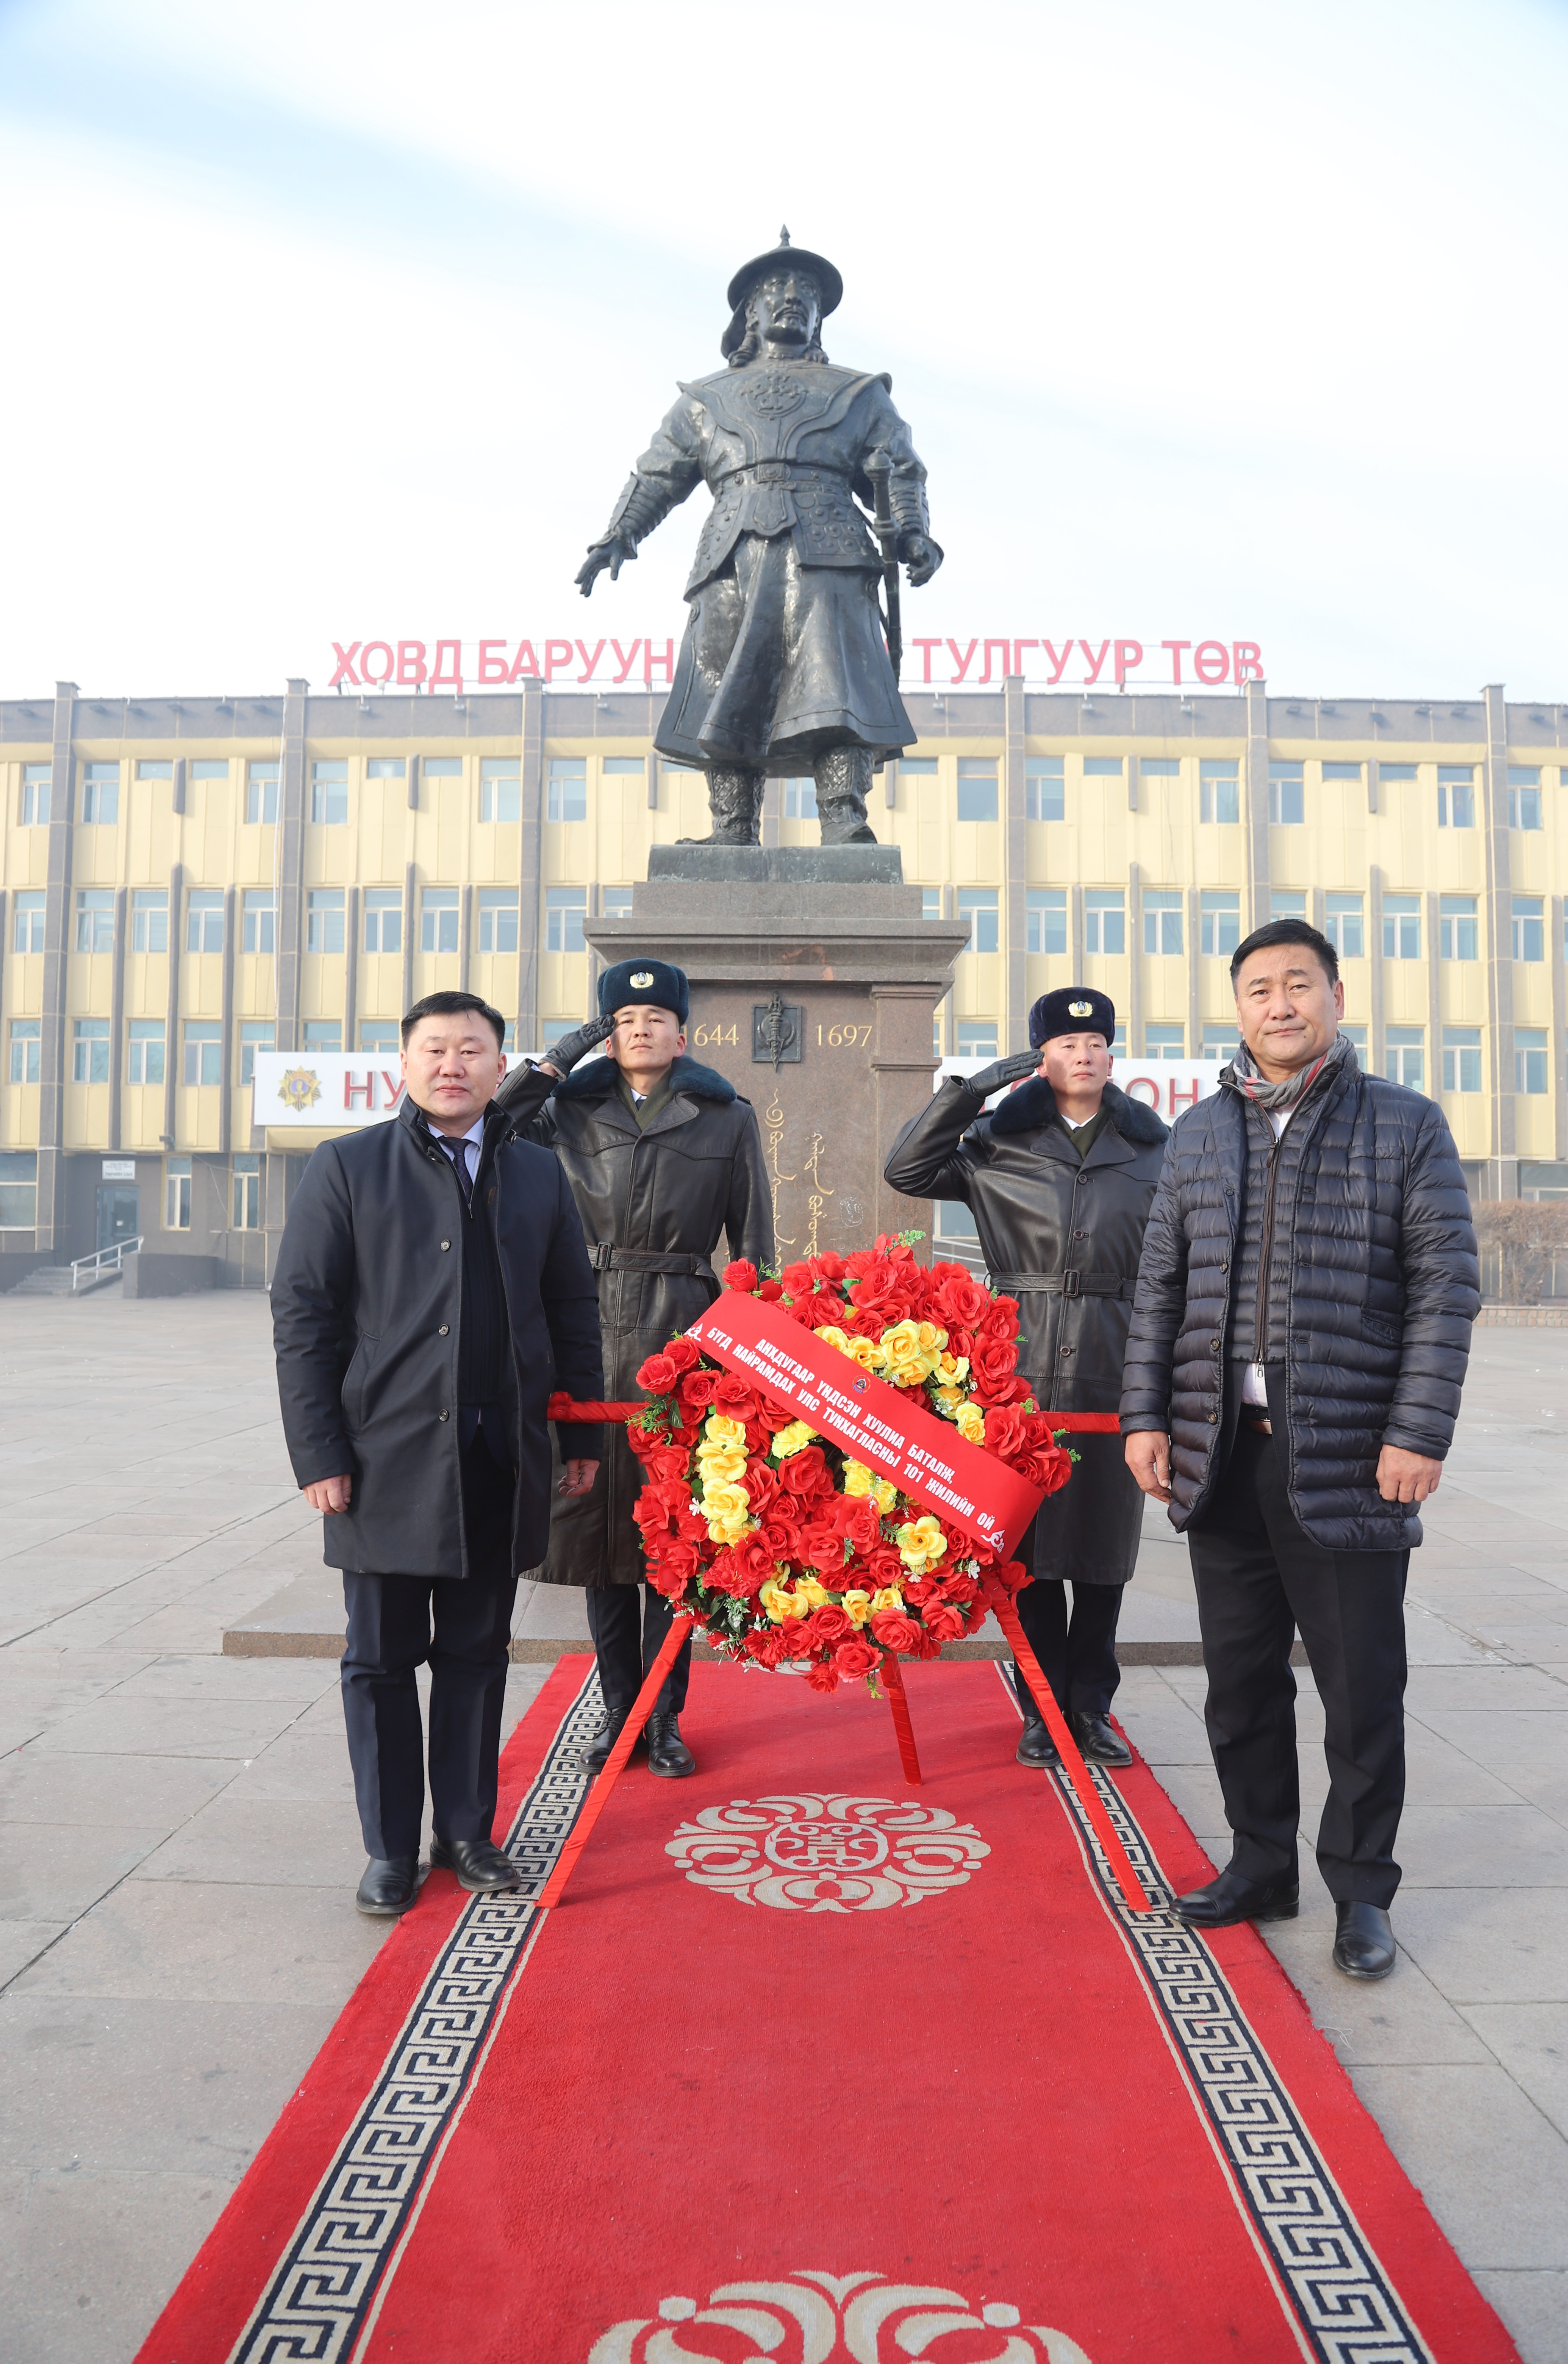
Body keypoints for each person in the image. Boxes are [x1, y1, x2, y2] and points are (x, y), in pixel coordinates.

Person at [1120, 919, 1479, 1981]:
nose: (1278, 1005)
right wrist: (1147, 1416)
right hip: (1222, 1455)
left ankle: (1362, 1893)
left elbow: (1445, 1288)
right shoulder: (1199, 1134)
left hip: (1349, 1455)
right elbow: (1160, 1287)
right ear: (1237, 1008)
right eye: (1258, 989)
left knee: (1359, 1692)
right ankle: (1260, 1864)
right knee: (1239, 1684)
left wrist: (1416, 1432)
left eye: (1297, 984)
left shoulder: (1403, 1124)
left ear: (1334, 996)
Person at [271, 990, 604, 1918]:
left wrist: (580, 1432)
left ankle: (466, 1832)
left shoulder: (537, 1172)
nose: (452, 1065)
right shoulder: (348, 1166)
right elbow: (303, 1317)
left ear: (500, 1066)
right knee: (379, 1660)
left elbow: (572, 1310)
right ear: (405, 1065)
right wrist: (319, 1453)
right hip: (384, 1459)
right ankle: (389, 1849)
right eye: (434, 1050)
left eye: (471, 1050)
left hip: (499, 1454)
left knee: (476, 1655)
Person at [575, 229, 942, 847]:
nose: (793, 296)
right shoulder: (705, 400)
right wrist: (619, 534)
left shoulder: (858, 393)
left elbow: (900, 470)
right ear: (751, 312)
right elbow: (658, 473)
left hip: (828, 549)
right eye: (777, 286)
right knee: (726, 686)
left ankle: (844, 817)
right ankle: (732, 827)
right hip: (732, 553)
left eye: (807, 290)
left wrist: (912, 533)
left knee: (837, 685)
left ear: (821, 314)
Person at [497, 959, 772, 1775]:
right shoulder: (565, 1111)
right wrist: (560, 1059)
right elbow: (494, 1128)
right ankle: (620, 1713)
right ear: (605, 1035)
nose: (641, 1030)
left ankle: (664, 1718)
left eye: (656, 1019)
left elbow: (754, 1246)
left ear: (683, 1036)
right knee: (599, 1541)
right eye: (623, 1020)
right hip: (579, 1327)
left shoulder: (726, 1117)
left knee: (674, 1539)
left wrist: (749, 1359)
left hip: (683, 1337)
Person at [884, 989, 1169, 1767]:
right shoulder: (996, 1142)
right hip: (1016, 1358)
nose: (1084, 1054)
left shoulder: (1152, 1147)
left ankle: (1092, 1706)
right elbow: (906, 1168)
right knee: (1029, 1548)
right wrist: (969, 1093)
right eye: (1067, 1043)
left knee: (1105, 1546)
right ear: (1039, 1058)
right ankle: (1044, 1707)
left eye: (1096, 1042)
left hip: (1117, 1353)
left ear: (1112, 1056)